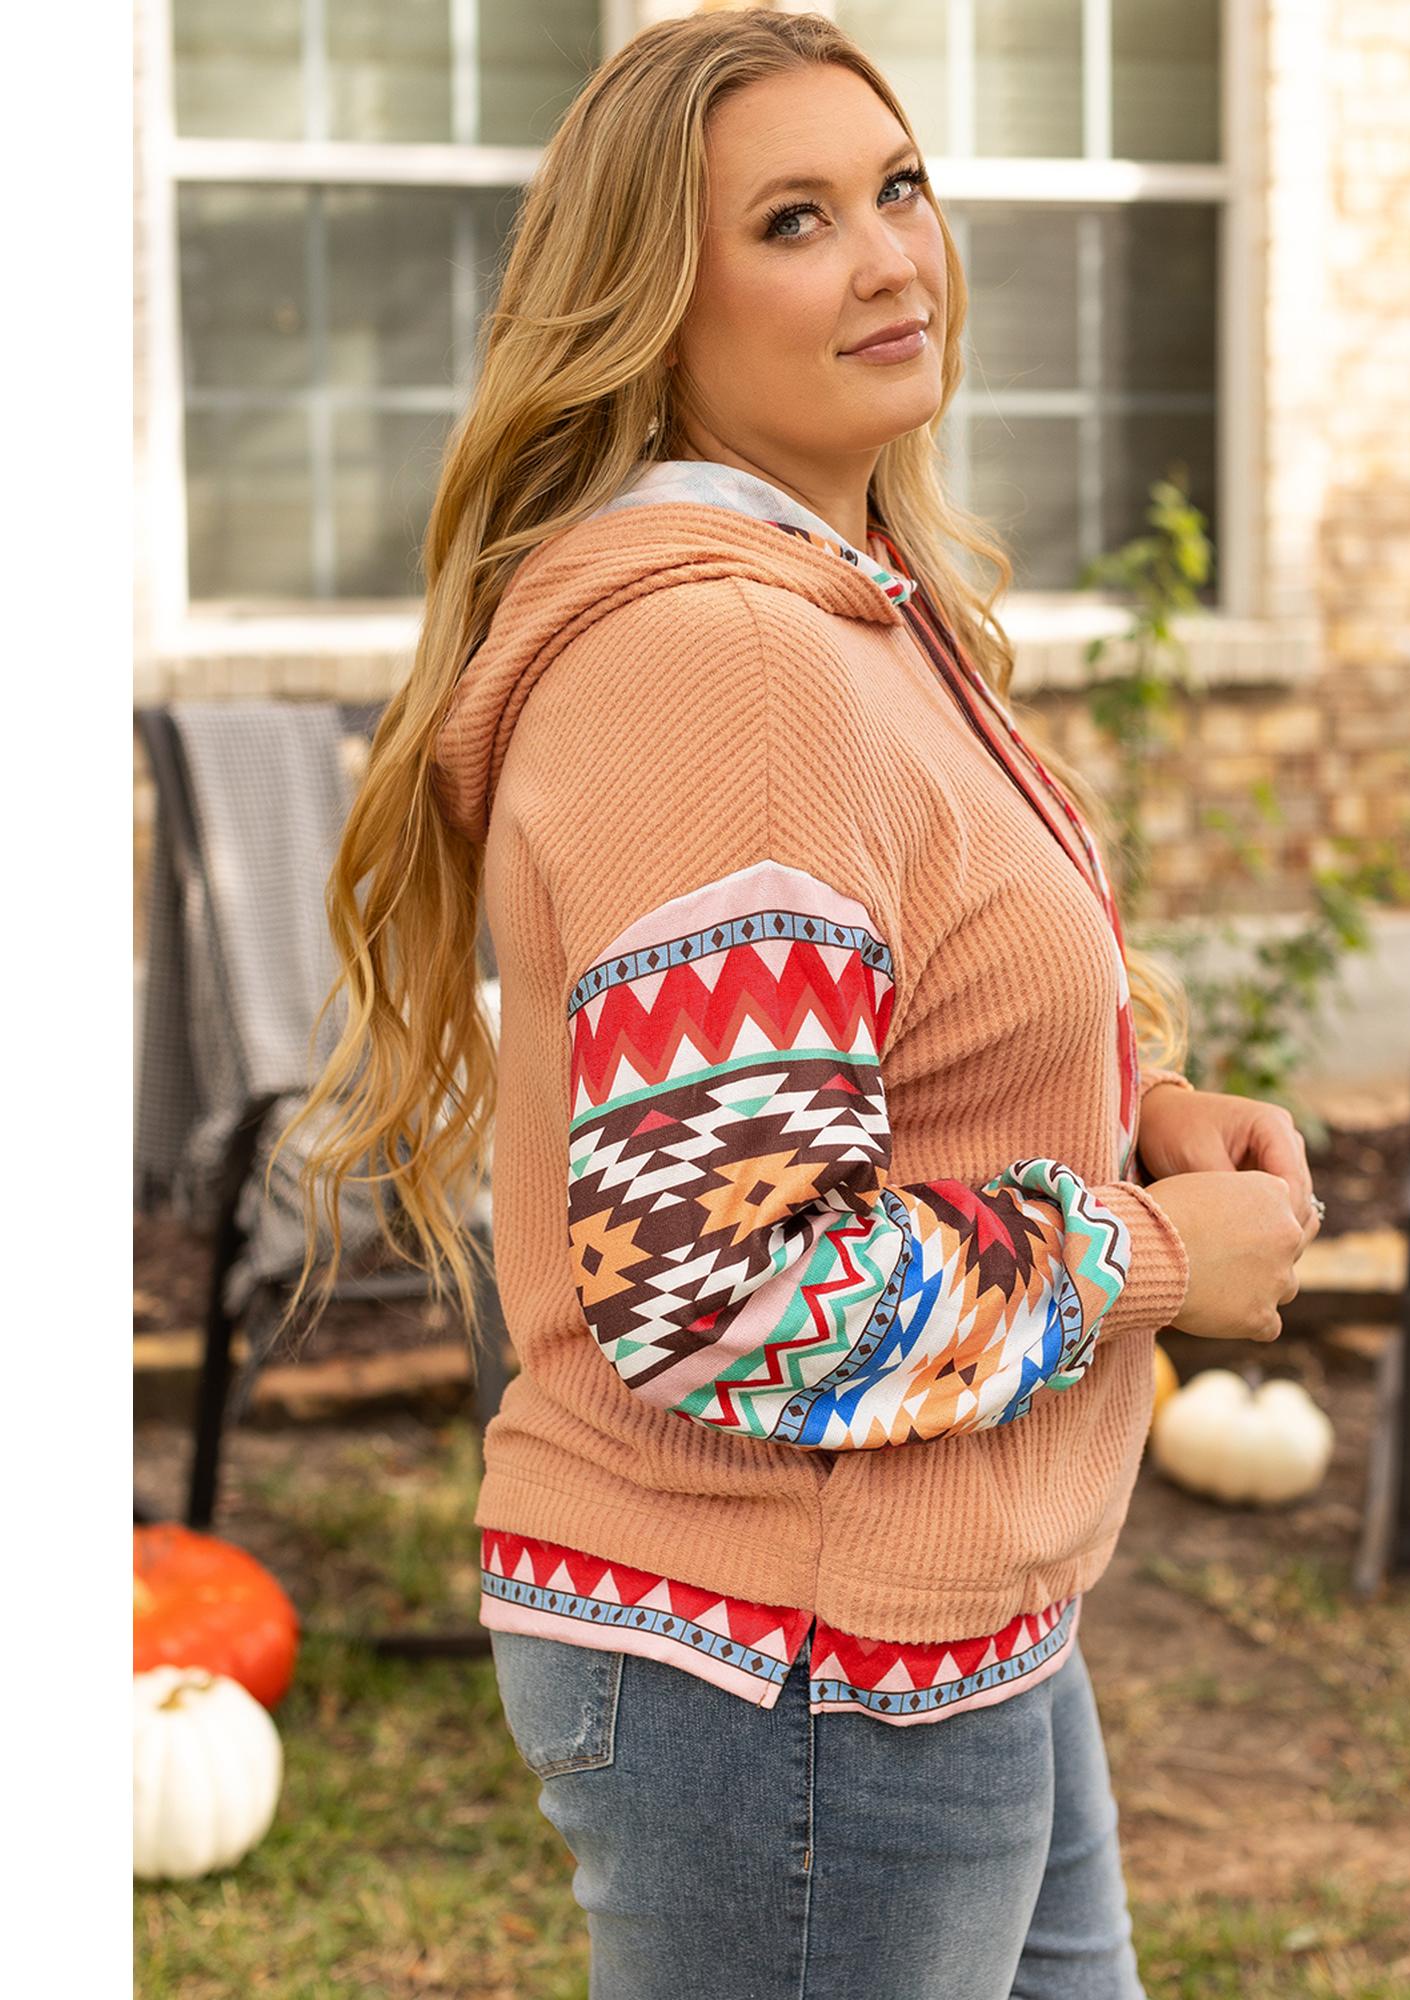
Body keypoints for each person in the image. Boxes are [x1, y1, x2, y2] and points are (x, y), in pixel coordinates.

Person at [272, 11, 1320, 1997]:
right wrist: (1158, 1252)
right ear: (651, 310)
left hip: (947, 1619)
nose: (890, 258)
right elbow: (725, 1289)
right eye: (792, 220)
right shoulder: (725, 665)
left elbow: (899, 1017)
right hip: (794, 1674)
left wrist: (1128, 1104)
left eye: (897, 187)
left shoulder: (851, 610)